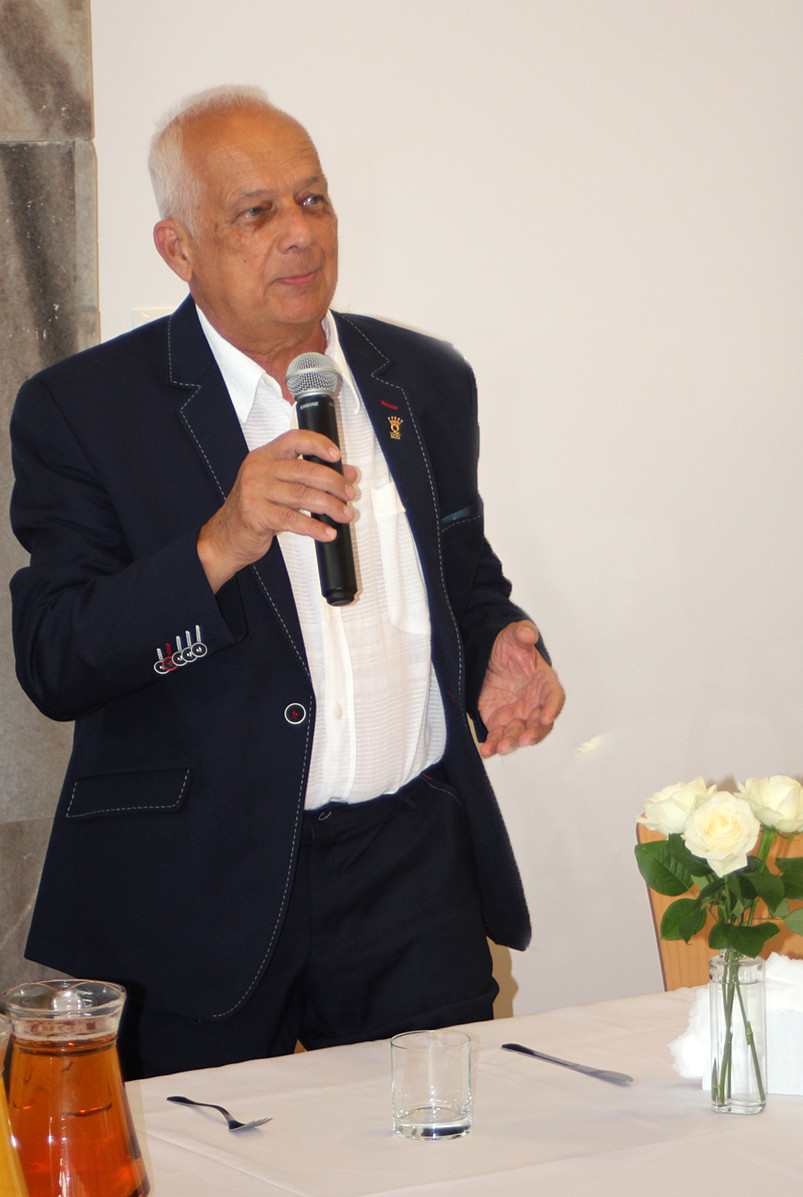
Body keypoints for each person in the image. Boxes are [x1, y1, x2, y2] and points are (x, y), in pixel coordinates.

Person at [9, 86, 565, 1079]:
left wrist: (497, 638)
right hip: (195, 882)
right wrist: (218, 543)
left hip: (410, 867)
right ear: (178, 249)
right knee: (197, 1152)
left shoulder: (423, 379)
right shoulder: (85, 410)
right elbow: (58, 658)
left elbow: (460, 566)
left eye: (312, 200)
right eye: (255, 212)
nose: (299, 233)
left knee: (442, 1142)